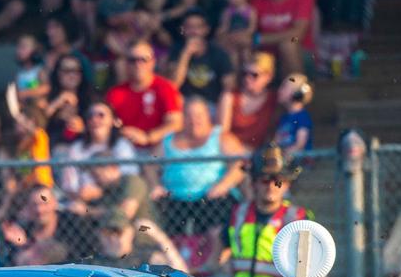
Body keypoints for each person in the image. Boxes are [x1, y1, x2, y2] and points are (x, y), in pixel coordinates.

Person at [222, 142, 318, 277]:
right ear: (254, 182)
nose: (272, 186)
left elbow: (310, 268)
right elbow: (221, 254)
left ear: (287, 184)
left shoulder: (299, 218)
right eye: (265, 180)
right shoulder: (237, 214)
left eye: (278, 180)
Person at [156, 96, 247, 241]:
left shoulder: (221, 137)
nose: (194, 120)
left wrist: (223, 185)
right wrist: (156, 185)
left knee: (219, 214)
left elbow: (241, 165)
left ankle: (213, 259)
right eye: (189, 115)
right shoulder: (168, 140)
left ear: (207, 116)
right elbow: (149, 164)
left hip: (211, 198)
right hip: (174, 199)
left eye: (198, 115)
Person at [105, 40, 183, 151]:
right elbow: (107, 124)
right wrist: (123, 132)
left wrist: (148, 137)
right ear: (127, 64)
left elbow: (176, 123)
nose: (138, 64)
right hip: (126, 149)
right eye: (133, 60)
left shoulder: (165, 88)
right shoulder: (115, 93)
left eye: (143, 60)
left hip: (157, 149)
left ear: (153, 62)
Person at [58, 101, 139, 204]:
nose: (95, 119)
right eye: (90, 116)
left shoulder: (122, 145)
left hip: (116, 200)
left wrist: (101, 191)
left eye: (101, 115)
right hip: (84, 202)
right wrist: (80, 194)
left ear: (113, 121)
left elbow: (130, 177)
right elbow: (69, 185)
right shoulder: (77, 148)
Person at [250, 0, 314, 73]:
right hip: (267, 56)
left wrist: (258, 39)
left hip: (300, 52)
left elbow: (297, 34)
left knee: (288, 45)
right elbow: (248, 32)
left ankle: (296, 90)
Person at [169, 9, 235, 108]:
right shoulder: (176, 51)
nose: (194, 31)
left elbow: (229, 86)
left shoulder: (219, 53)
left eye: (198, 27)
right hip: (185, 103)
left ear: (206, 29)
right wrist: (186, 54)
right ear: (182, 29)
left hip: (211, 104)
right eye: (189, 27)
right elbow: (174, 84)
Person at [219, 52, 279, 152]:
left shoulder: (274, 99)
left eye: (254, 75)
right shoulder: (229, 96)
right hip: (232, 153)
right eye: (245, 74)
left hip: (261, 155)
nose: (247, 78)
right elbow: (223, 134)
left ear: (268, 77)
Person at [94, 210, 188, 271]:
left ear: (130, 232)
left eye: (119, 232)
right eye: (107, 233)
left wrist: (158, 235)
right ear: (99, 234)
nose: (112, 238)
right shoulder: (93, 264)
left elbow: (181, 272)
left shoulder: (145, 257)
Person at [216, 0, 257, 70]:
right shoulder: (227, 11)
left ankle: (248, 74)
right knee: (232, 54)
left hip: (245, 37)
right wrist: (220, 32)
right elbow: (225, 26)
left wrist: (243, 34)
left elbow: (252, 28)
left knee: (246, 53)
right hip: (231, 37)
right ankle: (234, 77)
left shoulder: (250, 11)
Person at [274, 73, 313, 155]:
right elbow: (277, 141)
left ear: (297, 93)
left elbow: (300, 144)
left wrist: (285, 155)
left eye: (284, 88)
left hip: (299, 163)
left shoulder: (302, 117)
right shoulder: (284, 118)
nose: (280, 90)